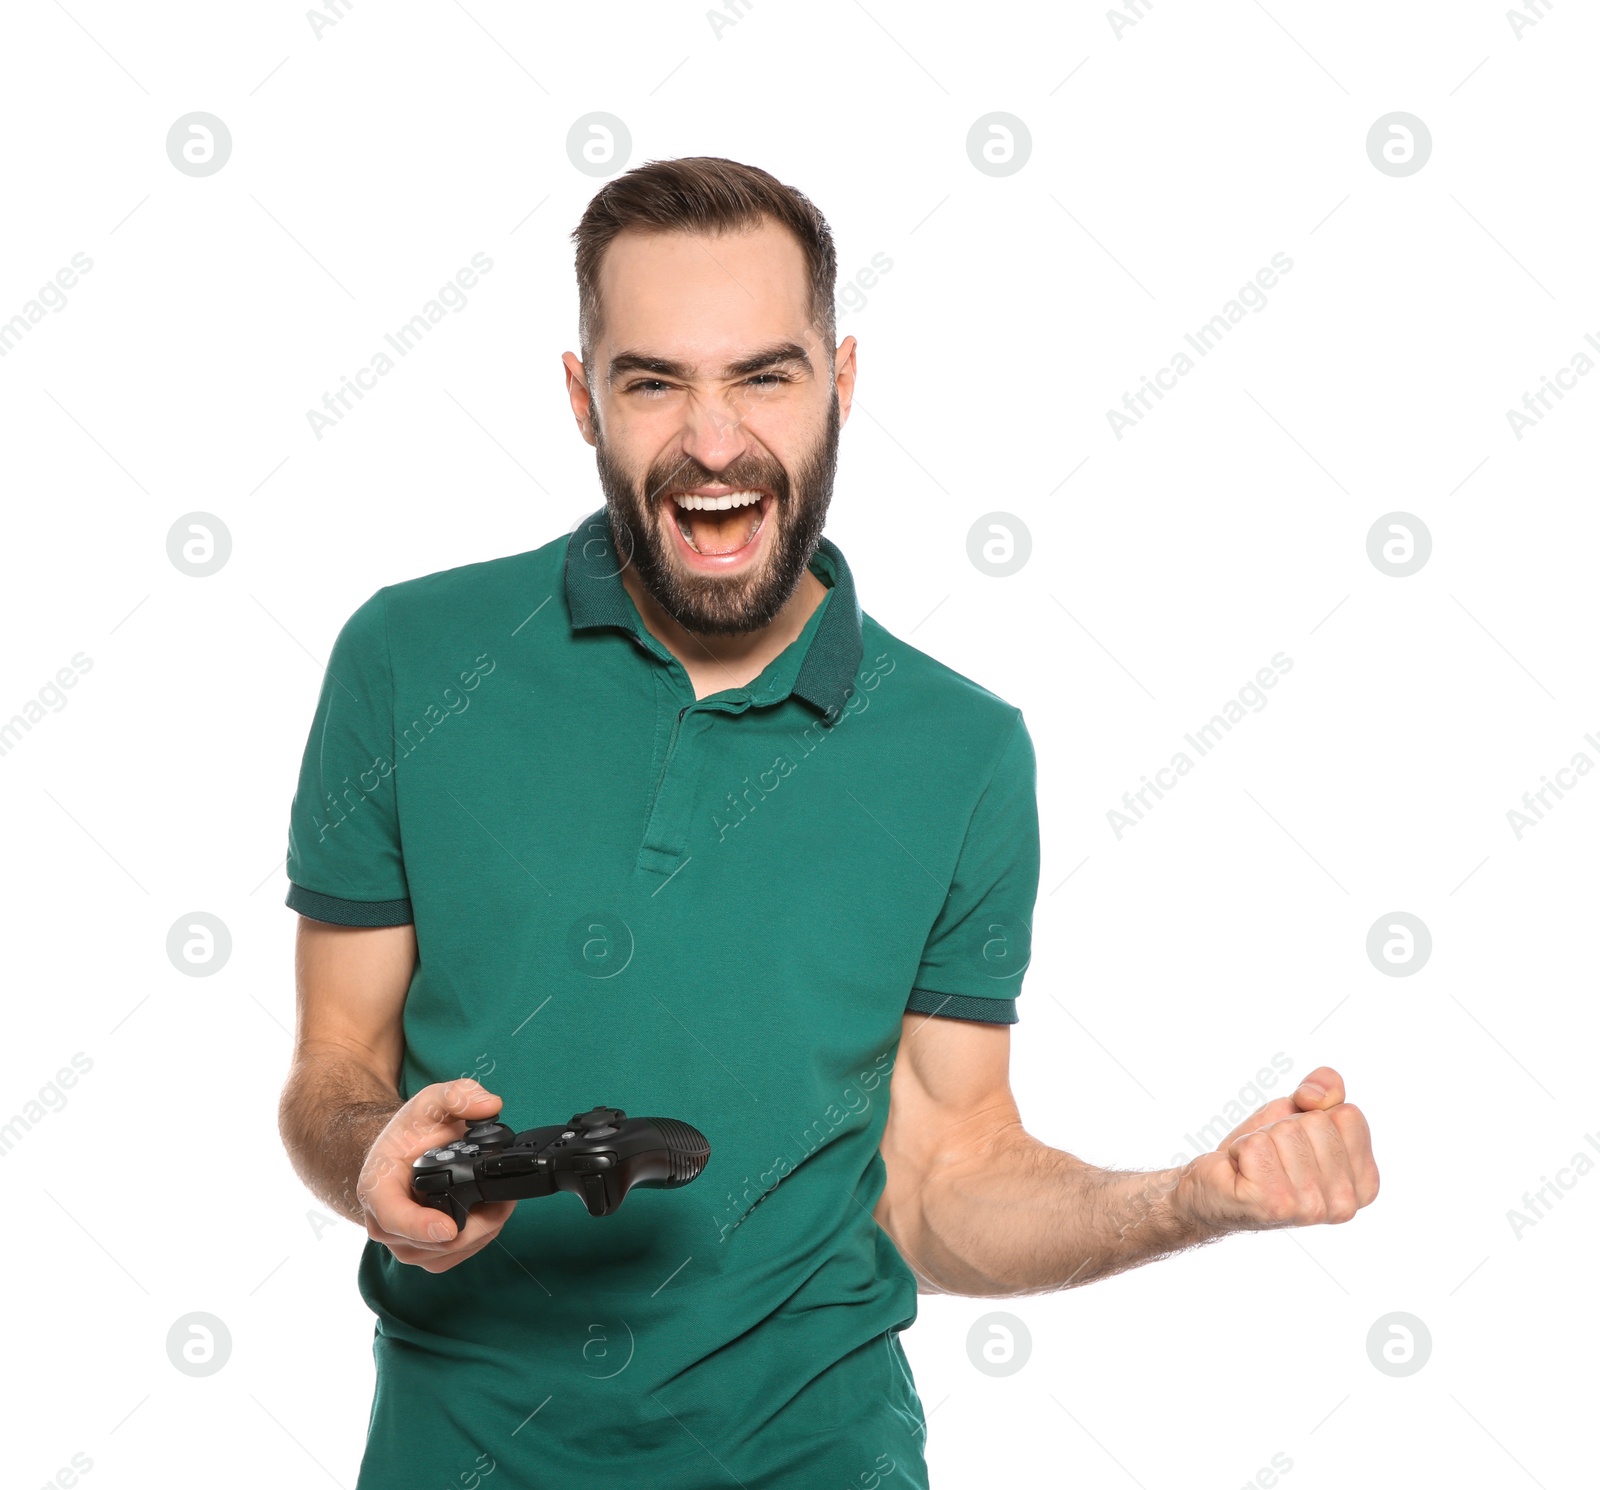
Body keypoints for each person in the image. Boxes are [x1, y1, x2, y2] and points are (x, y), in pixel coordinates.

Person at [277, 156, 1378, 1490]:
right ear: (583, 400)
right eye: (654, 380)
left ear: (841, 381)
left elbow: (945, 1177)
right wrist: (369, 1151)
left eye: (764, 374)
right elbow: (336, 1065)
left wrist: (1194, 1194)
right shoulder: (408, 658)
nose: (717, 439)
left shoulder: (961, 751)